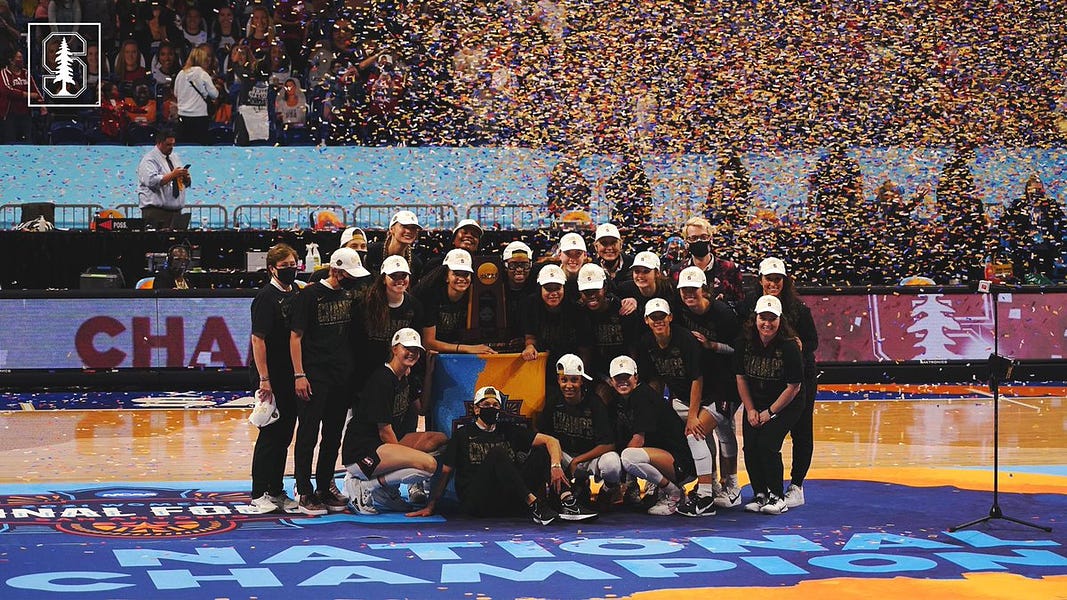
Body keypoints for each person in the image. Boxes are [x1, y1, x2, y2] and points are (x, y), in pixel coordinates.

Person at [406, 385, 596, 525]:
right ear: (476, 409)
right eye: (486, 404)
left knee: (541, 451)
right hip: (477, 500)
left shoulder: (508, 429)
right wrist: (432, 505)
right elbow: (446, 473)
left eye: (496, 405)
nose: (492, 408)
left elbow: (551, 441)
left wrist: (555, 467)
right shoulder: (463, 434)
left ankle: (567, 501)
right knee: (498, 453)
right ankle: (535, 505)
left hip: (508, 497)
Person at [289, 247, 368, 516]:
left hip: (341, 376)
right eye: (347, 273)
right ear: (335, 270)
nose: (352, 279)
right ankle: (304, 489)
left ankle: (324, 486)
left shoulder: (350, 294)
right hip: (314, 375)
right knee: (308, 434)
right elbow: (296, 337)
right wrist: (299, 374)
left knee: (333, 435)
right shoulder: (309, 295)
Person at [341, 328, 446, 514]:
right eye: (407, 348)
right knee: (427, 465)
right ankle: (369, 485)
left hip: (383, 445)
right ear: (395, 349)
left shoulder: (406, 377)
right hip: (363, 450)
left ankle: (384, 488)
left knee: (438, 440)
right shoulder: (382, 379)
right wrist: (405, 459)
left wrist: (429, 373)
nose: (412, 353)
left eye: (416, 350)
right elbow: (384, 430)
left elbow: (422, 407)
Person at [636, 298, 718, 517]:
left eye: (662, 316)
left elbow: (697, 380)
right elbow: (654, 379)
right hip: (681, 398)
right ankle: (705, 482)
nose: (658, 321)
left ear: (670, 317)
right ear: (646, 320)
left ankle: (706, 496)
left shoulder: (685, 340)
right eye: (654, 317)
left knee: (695, 433)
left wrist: (692, 416)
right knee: (672, 431)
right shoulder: (647, 343)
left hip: (714, 395)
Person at [674, 266, 743, 508]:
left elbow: (739, 350)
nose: (689, 294)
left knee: (723, 430)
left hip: (725, 383)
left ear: (704, 289)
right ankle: (712, 482)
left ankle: (732, 484)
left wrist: (712, 345)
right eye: (684, 290)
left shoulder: (722, 313)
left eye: (693, 289)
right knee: (706, 435)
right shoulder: (680, 310)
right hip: (701, 380)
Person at [736, 294, 803, 515]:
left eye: (772, 318)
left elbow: (793, 386)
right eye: (762, 317)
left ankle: (777, 496)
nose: (767, 323)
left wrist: (770, 412)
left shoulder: (789, 346)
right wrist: (751, 409)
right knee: (751, 446)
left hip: (786, 402)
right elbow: (741, 378)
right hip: (756, 401)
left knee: (767, 443)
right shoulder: (744, 342)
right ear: (755, 318)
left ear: (780, 320)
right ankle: (760, 494)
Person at [249, 243, 301, 514]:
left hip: (291, 374)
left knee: (284, 435)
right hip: (271, 375)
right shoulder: (266, 298)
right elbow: (258, 340)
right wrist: (264, 378)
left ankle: (276, 489)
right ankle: (258, 493)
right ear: (272, 269)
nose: (291, 271)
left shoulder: (295, 292)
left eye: (294, 265)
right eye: (285, 268)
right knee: (270, 434)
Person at [607, 355, 694, 515]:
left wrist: (617, 473)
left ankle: (674, 493)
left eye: (627, 377)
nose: (623, 382)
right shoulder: (619, 403)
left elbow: (638, 441)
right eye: (618, 378)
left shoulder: (643, 396)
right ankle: (664, 490)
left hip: (680, 463)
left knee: (628, 457)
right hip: (662, 457)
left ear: (636, 377)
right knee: (625, 455)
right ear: (611, 381)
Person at [536, 354, 616, 510]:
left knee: (612, 463)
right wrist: (557, 463)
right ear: (558, 381)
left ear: (582, 381)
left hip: (589, 457)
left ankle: (608, 491)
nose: (569, 385)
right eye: (564, 380)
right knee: (541, 451)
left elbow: (609, 444)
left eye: (574, 380)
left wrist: (577, 461)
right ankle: (562, 493)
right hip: (564, 455)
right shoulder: (553, 401)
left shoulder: (594, 403)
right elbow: (543, 434)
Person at [417, 249, 496, 354]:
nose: (462, 278)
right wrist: (466, 348)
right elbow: (428, 343)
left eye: (466, 274)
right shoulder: (432, 296)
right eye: (456, 274)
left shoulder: (474, 296)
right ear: (446, 277)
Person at [669, 216, 744, 310]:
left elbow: (740, 303)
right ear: (686, 241)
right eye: (693, 238)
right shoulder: (677, 272)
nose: (699, 241)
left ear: (711, 239)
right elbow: (676, 305)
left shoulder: (730, 269)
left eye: (703, 237)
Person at [136, 128, 190, 229]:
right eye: (168, 145)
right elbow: (151, 181)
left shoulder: (174, 157)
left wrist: (185, 177)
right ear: (159, 143)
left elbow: (179, 181)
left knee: (177, 244)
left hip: (175, 211)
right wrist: (173, 175)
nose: (171, 147)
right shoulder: (149, 159)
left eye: (173, 144)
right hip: (156, 212)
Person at [174, 43, 219, 145]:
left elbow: (176, 93)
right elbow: (215, 95)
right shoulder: (202, 73)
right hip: (200, 119)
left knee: (184, 147)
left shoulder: (181, 73)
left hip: (182, 118)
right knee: (200, 149)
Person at [0, 50, 46, 144]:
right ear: (11, 60)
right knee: (10, 142)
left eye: (22, 57)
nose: (21, 60)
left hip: (25, 114)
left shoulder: (26, 73)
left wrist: (42, 104)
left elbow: (35, 90)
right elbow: (7, 90)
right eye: (19, 57)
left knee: (27, 141)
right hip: (9, 115)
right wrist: (27, 95)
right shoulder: (4, 73)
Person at [364, 210, 424, 280]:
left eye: (413, 228)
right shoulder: (371, 251)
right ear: (392, 229)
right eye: (404, 226)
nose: (408, 231)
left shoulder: (415, 263)